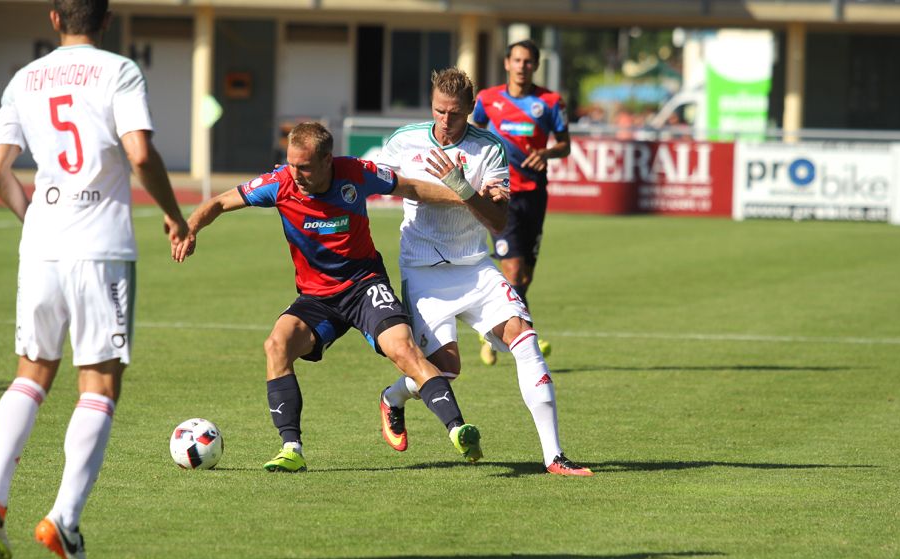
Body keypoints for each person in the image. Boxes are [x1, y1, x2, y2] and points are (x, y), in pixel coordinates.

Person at [0, 1, 189, 559]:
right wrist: (174, 212)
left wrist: (34, 216)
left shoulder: (24, 77)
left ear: (53, 19)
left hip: (41, 244)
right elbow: (139, 152)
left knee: (32, 372)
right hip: (101, 247)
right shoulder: (119, 70)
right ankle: (64, 520)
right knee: (99, 385)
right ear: (106, 20)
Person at [172, 121, 487, 473]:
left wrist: (466, 197)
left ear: (327, 160)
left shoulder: (356, 172)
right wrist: (191, 227)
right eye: (290, 163)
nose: (295, 173)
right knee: (277, 345)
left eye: (303, 166)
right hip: (317, 298)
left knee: (403, 349)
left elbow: (410, 186)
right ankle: (291, 448)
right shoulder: (279, 184)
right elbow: (219, 202)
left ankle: (459, 430)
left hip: (364, 285)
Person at [375, 68, 592, 477]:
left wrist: (464, 187)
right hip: (423, 271)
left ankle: (554, 457)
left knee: (525, 340)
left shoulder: (488, 148)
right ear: (432, 104)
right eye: (439, 111)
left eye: (455, 113)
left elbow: (496, 222)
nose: (445, 120)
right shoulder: (404, 141)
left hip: (475, 266)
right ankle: (393, 398)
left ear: (471, 110)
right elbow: (384, 182)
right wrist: (459, 194)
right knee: (447, 370)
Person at [473, 39, 571, 365]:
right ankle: (523, 338)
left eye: (528, 61)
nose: (522, 66)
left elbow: (565, 145)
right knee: (512, 271)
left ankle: (493, 327)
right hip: (502, 194)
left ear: (536, 66)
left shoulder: (550, 102)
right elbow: (472, 133)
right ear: (507, 63)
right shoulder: (488, 100)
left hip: (535, 194)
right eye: (517, 60)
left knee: (524, 277)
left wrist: (547, 152)